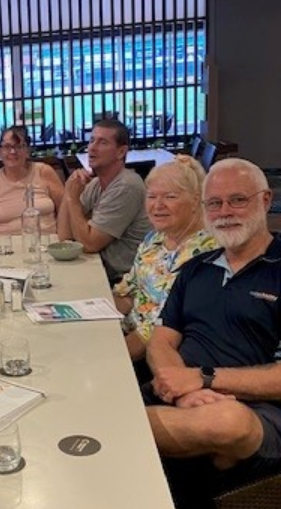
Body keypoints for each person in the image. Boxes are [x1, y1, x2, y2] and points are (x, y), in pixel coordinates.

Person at [143, 158, 281, 508]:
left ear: (265, 200)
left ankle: (109, 429)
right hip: (179, 392)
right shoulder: (195, 269)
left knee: (228, 422)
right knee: (105, 383)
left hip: (257, 409)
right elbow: (161, 341)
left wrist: (203, 379)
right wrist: (180, 390)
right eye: (214, 203)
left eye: (238, 199)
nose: (225, 212)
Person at [113, 155, 217, 365]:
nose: (157, 205)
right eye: (151, 197)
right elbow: (128, 291)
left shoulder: (206, 253)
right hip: (124, 332)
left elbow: (156, 330)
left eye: (170, 197)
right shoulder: (155, 238)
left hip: (157, 357)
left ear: (196, 201)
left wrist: (112, 357)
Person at [57, 118, 152, 283]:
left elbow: (90, 244)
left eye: (102, 142)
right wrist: (68, 191)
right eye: (92, 140)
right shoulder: (95, 184)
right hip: (98, 270)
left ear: (121, 152)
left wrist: (72, 199)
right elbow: (65, 236)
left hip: (124, 281)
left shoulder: (126, 186)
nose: (92, 147)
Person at [0, 126, 64, 234]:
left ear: (27, 150)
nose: (13, 151)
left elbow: (65, 210)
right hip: (6, 247)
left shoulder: (44, 172)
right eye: (7, 146)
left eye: (19, 146)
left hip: (47, 244)